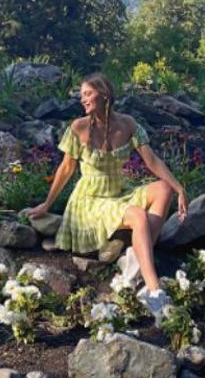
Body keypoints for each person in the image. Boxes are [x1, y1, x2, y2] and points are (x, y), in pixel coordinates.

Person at [22, 72, 188, 320]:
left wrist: (179, 188)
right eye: (81, 95)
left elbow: (151, 160)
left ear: (105, 94)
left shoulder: (128, 124)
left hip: (118, 193)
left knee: (163, 189)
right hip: (90, 201)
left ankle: (135, 260)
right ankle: (154, 290)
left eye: (87, 93)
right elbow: (66, 169)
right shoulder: (78, 128)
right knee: (138, 217)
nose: (83, 99)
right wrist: (47, 204)